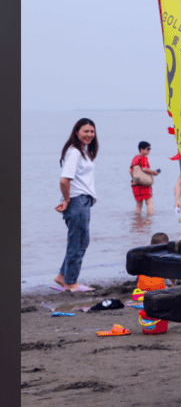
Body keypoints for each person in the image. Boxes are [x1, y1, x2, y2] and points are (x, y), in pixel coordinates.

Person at [55, 118, 98, 293]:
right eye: (85, 131)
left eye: (92, 131)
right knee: (79, 241)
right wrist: (66, 200)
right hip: (77, 201)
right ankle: (71, 282)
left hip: (81, 200)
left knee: (80, 240)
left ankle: (63, 276)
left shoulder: (82, 152)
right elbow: (64, 180)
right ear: (77, 132)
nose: (89, 135)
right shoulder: (74, 153)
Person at [129, 141, 162, 215]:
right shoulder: (143, 158)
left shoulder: (135, 158)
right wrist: (153, 172)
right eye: (148, 149)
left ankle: (137, 220)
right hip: (144, 184)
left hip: (135, 184)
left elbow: (131, 170)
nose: (149, 150)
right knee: (149, 202)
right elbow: (144, 169)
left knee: (139, 204)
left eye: (150, 149)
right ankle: (150, 221)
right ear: (141, 149)